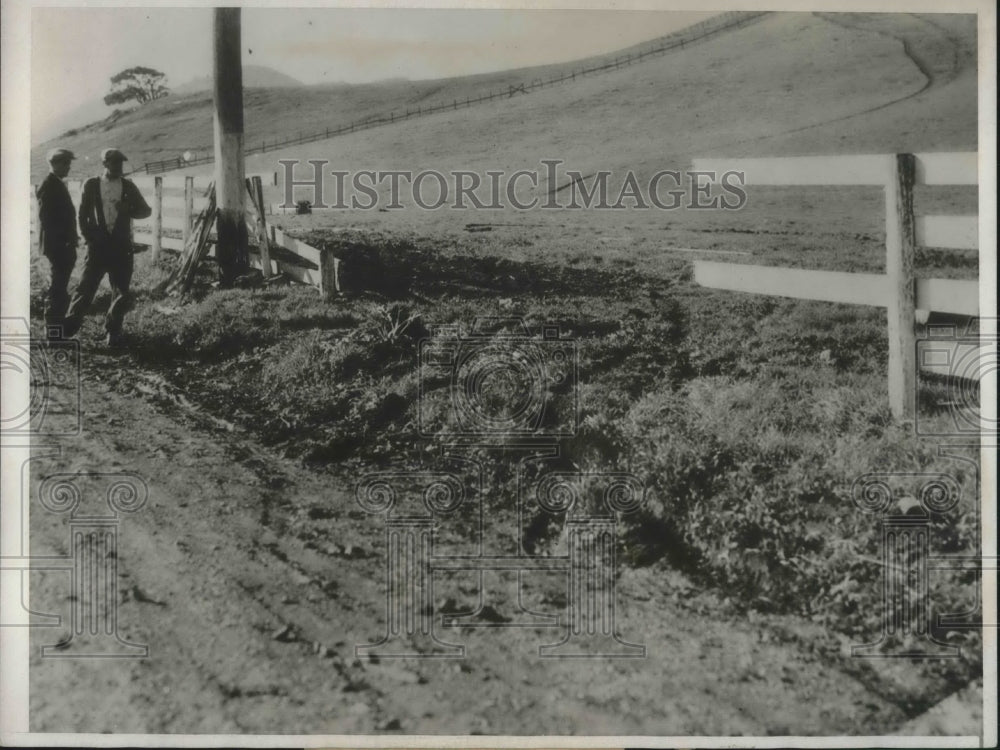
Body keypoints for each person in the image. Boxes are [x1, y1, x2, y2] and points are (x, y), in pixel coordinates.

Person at [63, 148, 151, 347]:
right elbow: (82, 215)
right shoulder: (91, 184)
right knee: (85, 288)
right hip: (98, 247)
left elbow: (146, 211)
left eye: (121, 163)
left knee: (121, 291)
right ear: (104, 164)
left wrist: (128, 209)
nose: (118, 166)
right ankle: (67, 330)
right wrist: (89, 238)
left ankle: (113, 332)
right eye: (114, 162)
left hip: (121, 247)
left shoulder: (128, 186)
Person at [36, 148, 79, 339]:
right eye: (65, 163)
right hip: (58, 247)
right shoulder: (49, 185)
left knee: (59, 288)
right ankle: (53, 335)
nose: (68, 167)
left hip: (61, 246)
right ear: (54, 164)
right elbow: (46, 219)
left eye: (69, 163)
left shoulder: (55, 183)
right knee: (57, 289)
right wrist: (64, 242)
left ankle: (55, 332)